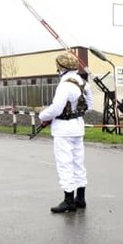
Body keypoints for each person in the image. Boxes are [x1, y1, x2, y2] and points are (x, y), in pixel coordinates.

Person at [39, 53, 95, 214]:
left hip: (63, 130)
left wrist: (43, 116)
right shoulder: (83, 83)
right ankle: (80, 198)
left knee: (65, 164)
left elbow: (56, 108)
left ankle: (69, 200)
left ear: (60, 68)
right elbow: (89, 106)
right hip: (78, 128)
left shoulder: (64, 85)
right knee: (78, 163)